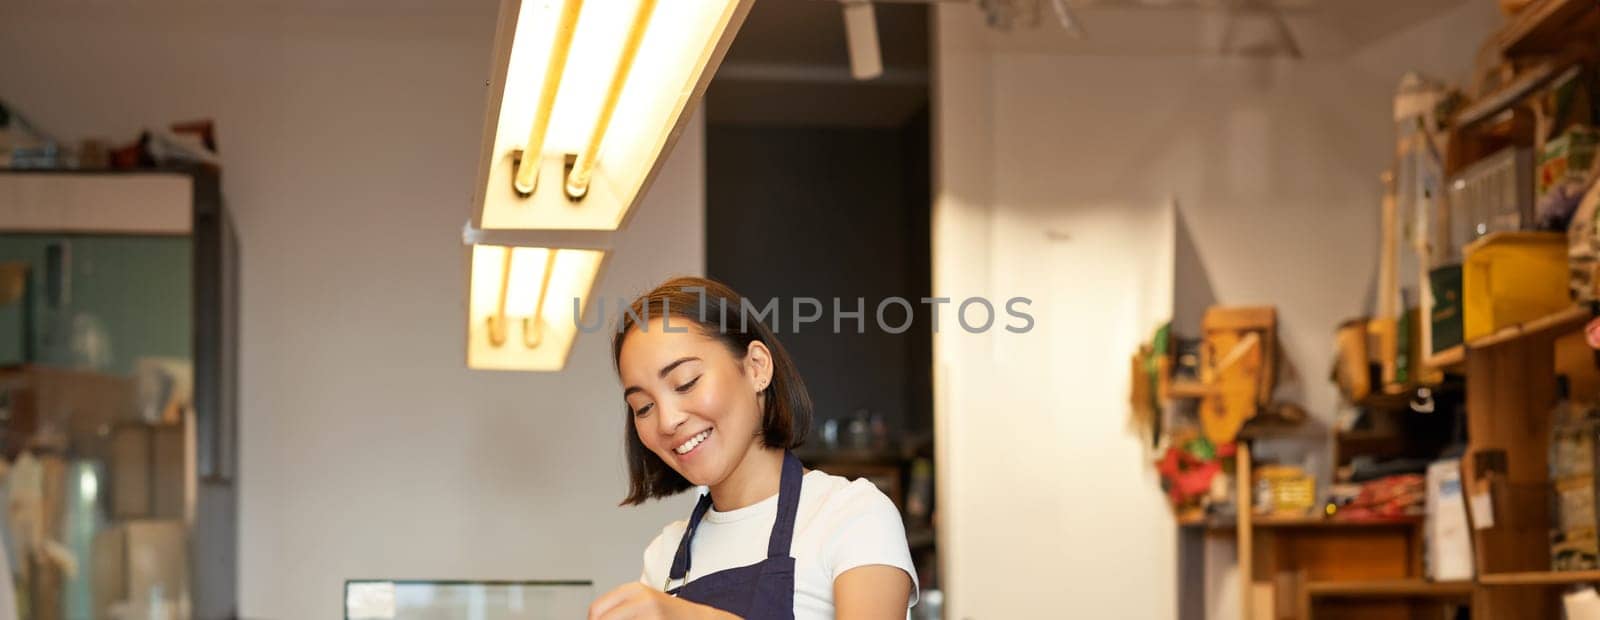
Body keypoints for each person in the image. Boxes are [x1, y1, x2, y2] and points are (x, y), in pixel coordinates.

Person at [588, 277, 917, 620]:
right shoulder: (664, 556)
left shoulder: (852, 515)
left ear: (756, 367)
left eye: (685, 383)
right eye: (643, 407)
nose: (667, 421)